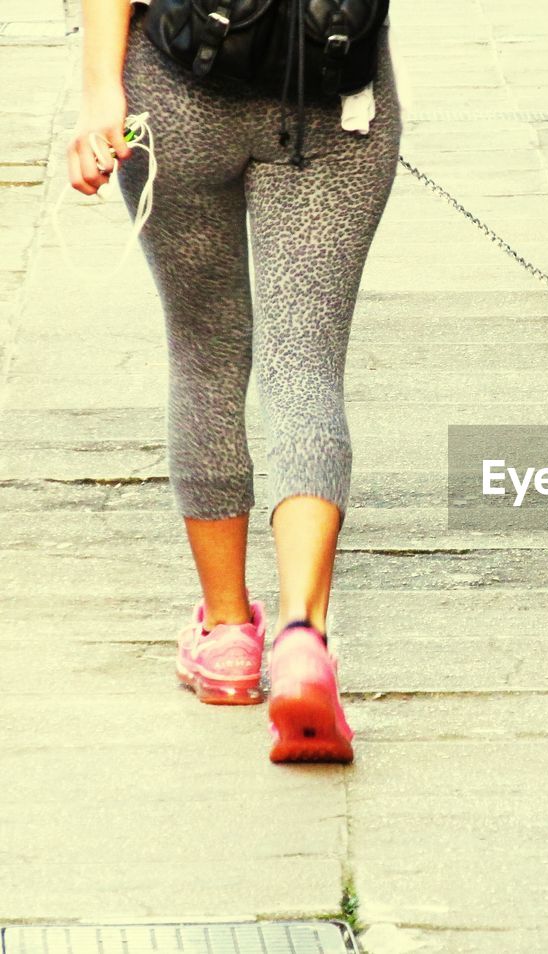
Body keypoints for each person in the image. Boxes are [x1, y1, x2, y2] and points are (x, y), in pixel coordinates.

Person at [67, 0, 402, 763]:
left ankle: (225, 640)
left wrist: (100, 97)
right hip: (332, 90)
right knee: (304, 364)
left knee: (205, 351)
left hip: (177, 89)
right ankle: (301, 639)